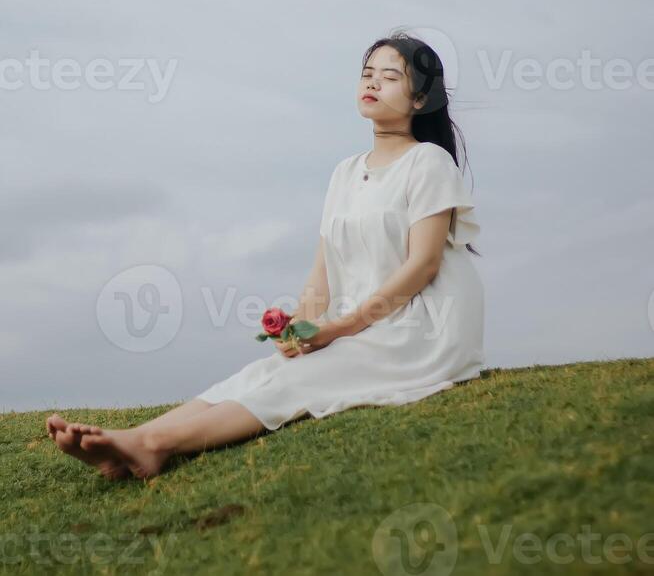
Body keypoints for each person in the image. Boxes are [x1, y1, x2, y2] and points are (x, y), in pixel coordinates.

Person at [46, 31, 485, 480]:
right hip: (364, 325)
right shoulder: (345, 173)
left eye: (390, 77)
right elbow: (323, 272)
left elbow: (424, 265)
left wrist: (338, 329)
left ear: (420, 100)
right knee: (265, 370)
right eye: (366, 74)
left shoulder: (428, 162)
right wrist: (300, 326)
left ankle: (154, 446)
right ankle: (133, 440)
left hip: (421, 330)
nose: (372, 83)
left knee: (301, 380)